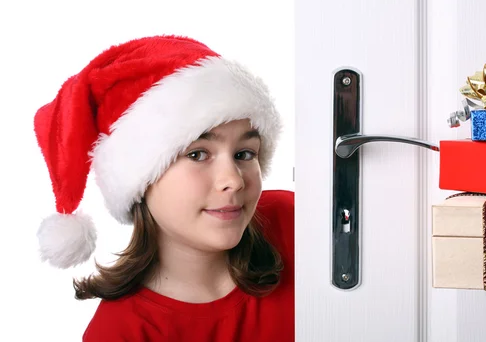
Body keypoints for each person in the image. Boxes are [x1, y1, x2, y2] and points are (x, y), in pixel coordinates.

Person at [33, 35, 294, 341]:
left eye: (244, 154)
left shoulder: (293, 223)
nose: (234, 180)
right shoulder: (120, 332)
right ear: (141, 179)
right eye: (197, 154)